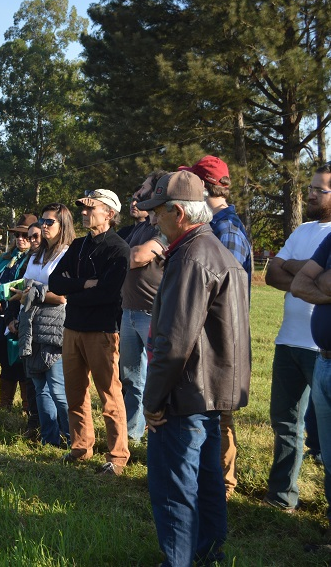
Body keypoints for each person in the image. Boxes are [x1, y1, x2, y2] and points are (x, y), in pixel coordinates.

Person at [138, 170, 251, 566]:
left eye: (158, 211)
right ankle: (207, 554)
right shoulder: (214, 251)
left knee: (175, 489)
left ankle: (180, 560)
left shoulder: (191, 257)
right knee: (206, 483)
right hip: (209, 392)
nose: (152, 219)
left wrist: (152, 402)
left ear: (178, 213)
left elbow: (173, 342)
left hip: (183, 395)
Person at [180, 155, 252, 499]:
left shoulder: (228, 231)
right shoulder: (210, 228)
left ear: (205, 188)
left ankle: (223, 484)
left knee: (220, 410)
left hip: (220, 339)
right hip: (203, 335)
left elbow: (223, 294)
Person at [263, 164, 331, 513]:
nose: (311, 194)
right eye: (311, 187)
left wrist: (295, 268)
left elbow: (286, 268)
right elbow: (271, 271)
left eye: (320, 189)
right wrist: (309, 277)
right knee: (284, 423)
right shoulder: (303, 229)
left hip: (320, 350)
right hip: (287, 342)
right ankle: (281, 496)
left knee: (324, 434)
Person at [49, 189, 130, 475]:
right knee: (75, 394)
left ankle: (118, 456)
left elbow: (108, 293)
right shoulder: (79, 246)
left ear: (108, 213)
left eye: (90, 209)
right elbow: (55, 281)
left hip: (102, 331)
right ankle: (80, 448)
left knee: (109, 395)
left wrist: (75, 288)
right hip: (72, 328)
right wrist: (85, 285)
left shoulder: (119, 249)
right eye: (83, 209)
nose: (84, 213)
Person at [12, 203, 74, 445]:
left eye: (50, 222)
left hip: (55, 327)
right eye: (43, 221)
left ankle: (73, 440)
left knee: (58, 390)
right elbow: (26, 285)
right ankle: (50, 441)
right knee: (40, 388)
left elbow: (61, 296)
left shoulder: (66, 254)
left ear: (63, 225)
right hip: (32, 327)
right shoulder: (36, 254)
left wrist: (29, 293)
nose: (44, 226)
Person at [119, 171, 168, 442]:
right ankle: (132, 434)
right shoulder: (139, 228)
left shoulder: (163, 229)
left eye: (143, 193)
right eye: (135, 194)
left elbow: (136, 257)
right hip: (128, 312)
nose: (136, 198)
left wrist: (115, 258)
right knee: (131, 378)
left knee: (151, 380)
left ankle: (153, 433)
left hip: (152, 314)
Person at [292, 227, 331, 551]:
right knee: (330, 458)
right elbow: (299, 282)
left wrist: (323, 281)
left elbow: (314, 281)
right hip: (324, 362)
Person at [0, 213, 37, 412]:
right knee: (6, 362)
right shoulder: (5, 259)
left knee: (22, 364)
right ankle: (5, 408)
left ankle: (27, 410)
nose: (20, 239)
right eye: (17, 235)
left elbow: (19, 286)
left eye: (25, 236)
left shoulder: (34, 260)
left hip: (19, 315)